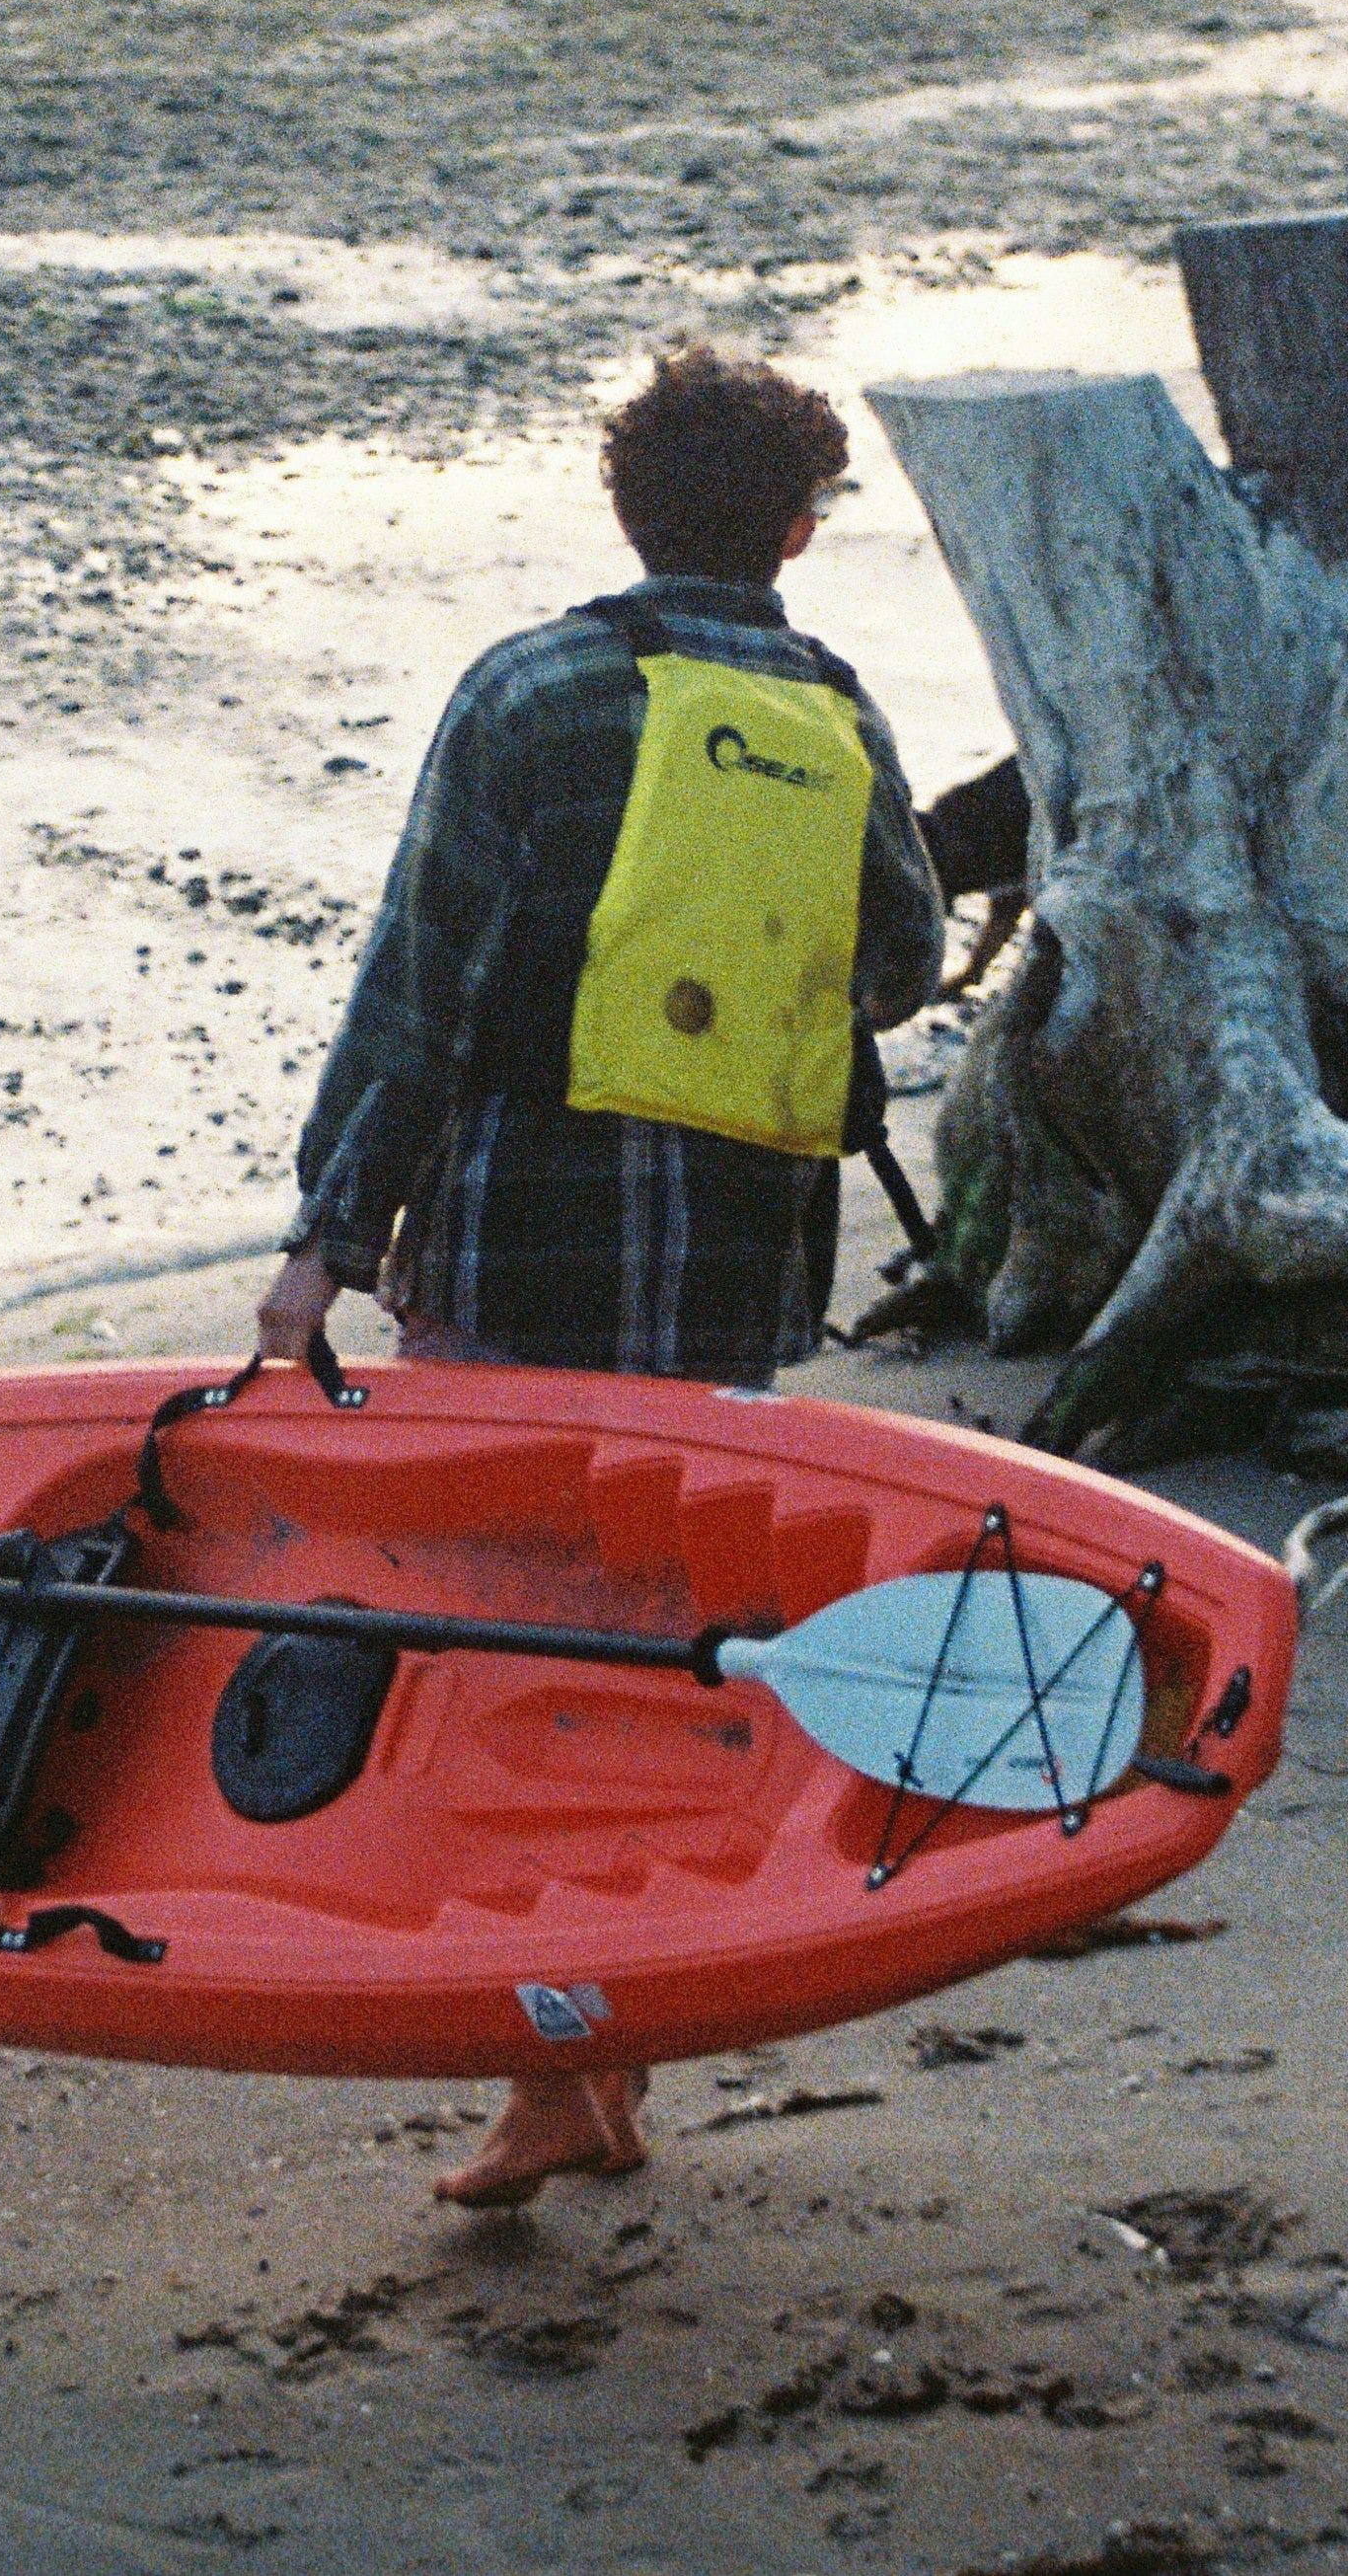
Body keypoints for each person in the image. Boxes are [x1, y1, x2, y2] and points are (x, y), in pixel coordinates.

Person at [254, 339, 945, 2207]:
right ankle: (600, 2056)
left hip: (516, 1248)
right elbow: (898, 967)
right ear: (800, 530)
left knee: (500, 1654)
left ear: (624, 506)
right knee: (656, 1645)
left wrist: (324, 1240)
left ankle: (552, 2069)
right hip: (729, 1270)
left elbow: (419, 980)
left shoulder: (531, 690)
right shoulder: (832, 707)